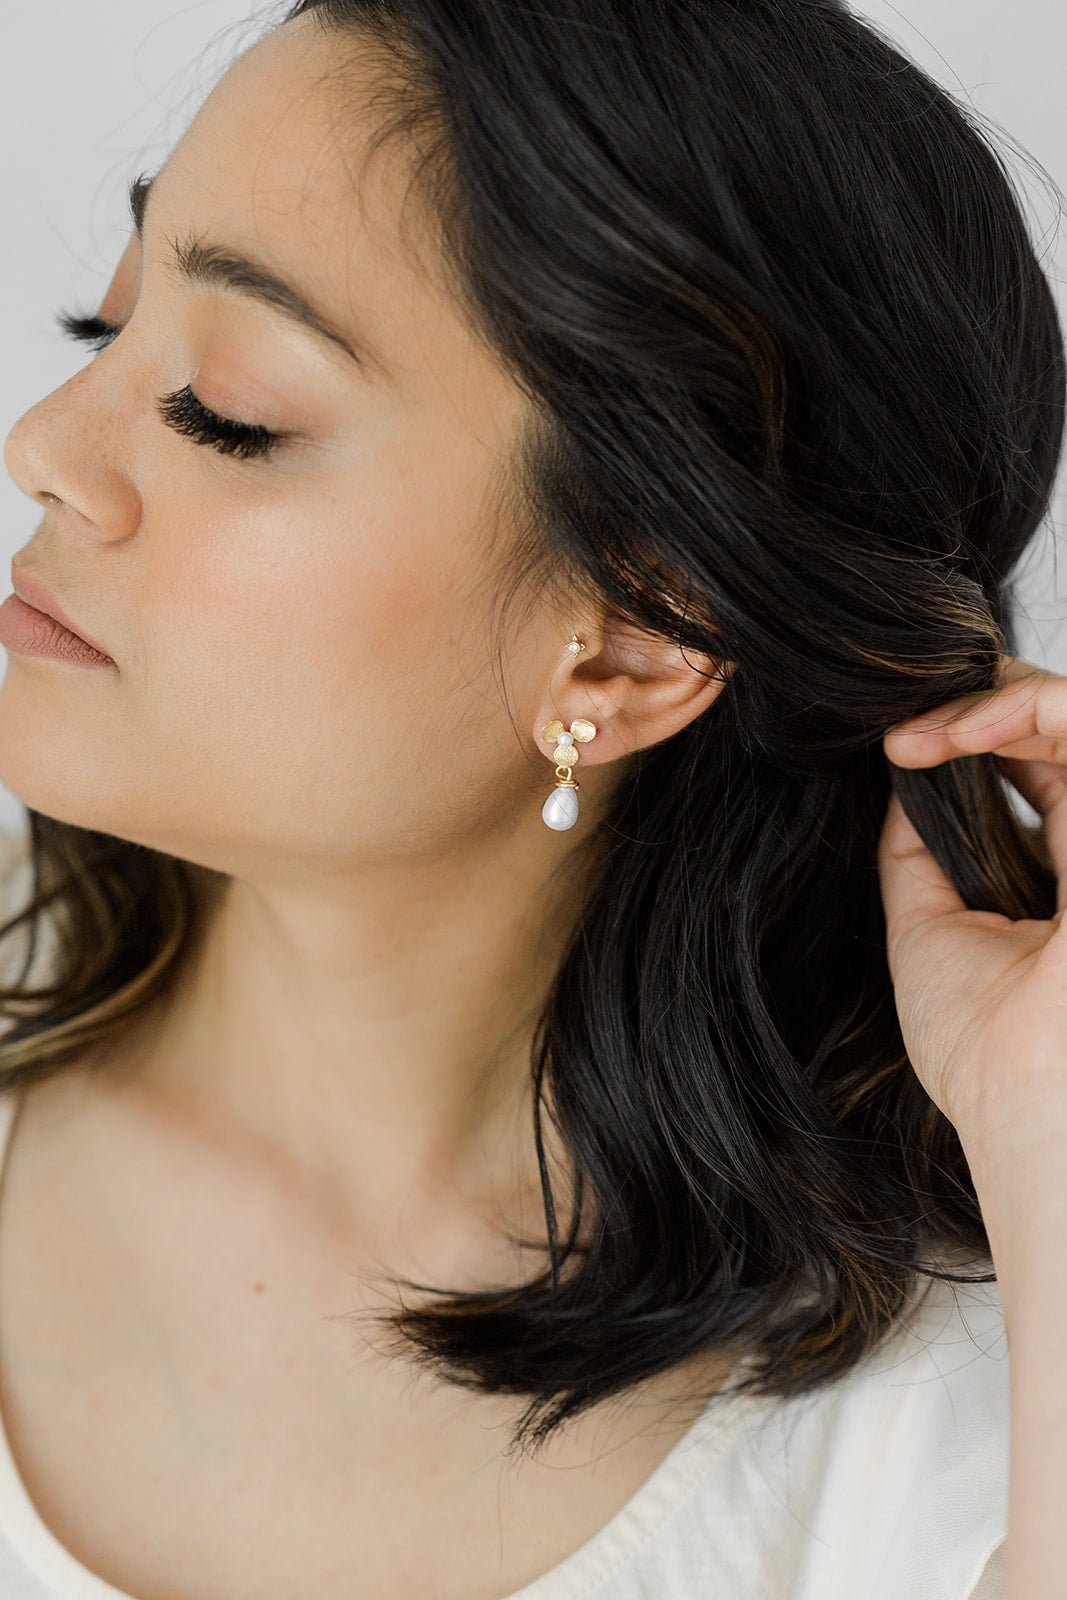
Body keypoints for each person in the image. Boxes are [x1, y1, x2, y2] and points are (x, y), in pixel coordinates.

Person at [0, 0, 1060, 1594]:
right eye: (106, 329)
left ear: (626, 656)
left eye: (232, 408)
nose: (40, 446)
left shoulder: (961, 1426)